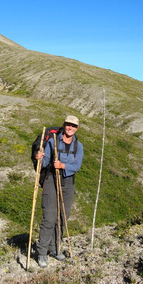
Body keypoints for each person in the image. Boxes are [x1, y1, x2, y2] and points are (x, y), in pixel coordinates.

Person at [35, 115, 84, 268]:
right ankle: (42, 253)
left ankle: (55, 248)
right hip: (51, 180)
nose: (70, 128)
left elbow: (77, 166)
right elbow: (44, 162)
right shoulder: (53, 141)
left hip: (68, 182)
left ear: (77, 128)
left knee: (62, 218)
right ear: (64, 125)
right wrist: (39, 158)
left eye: (73, 126)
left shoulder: (78, 146)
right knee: (49, 218)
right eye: (68, 125)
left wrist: (63, 166)